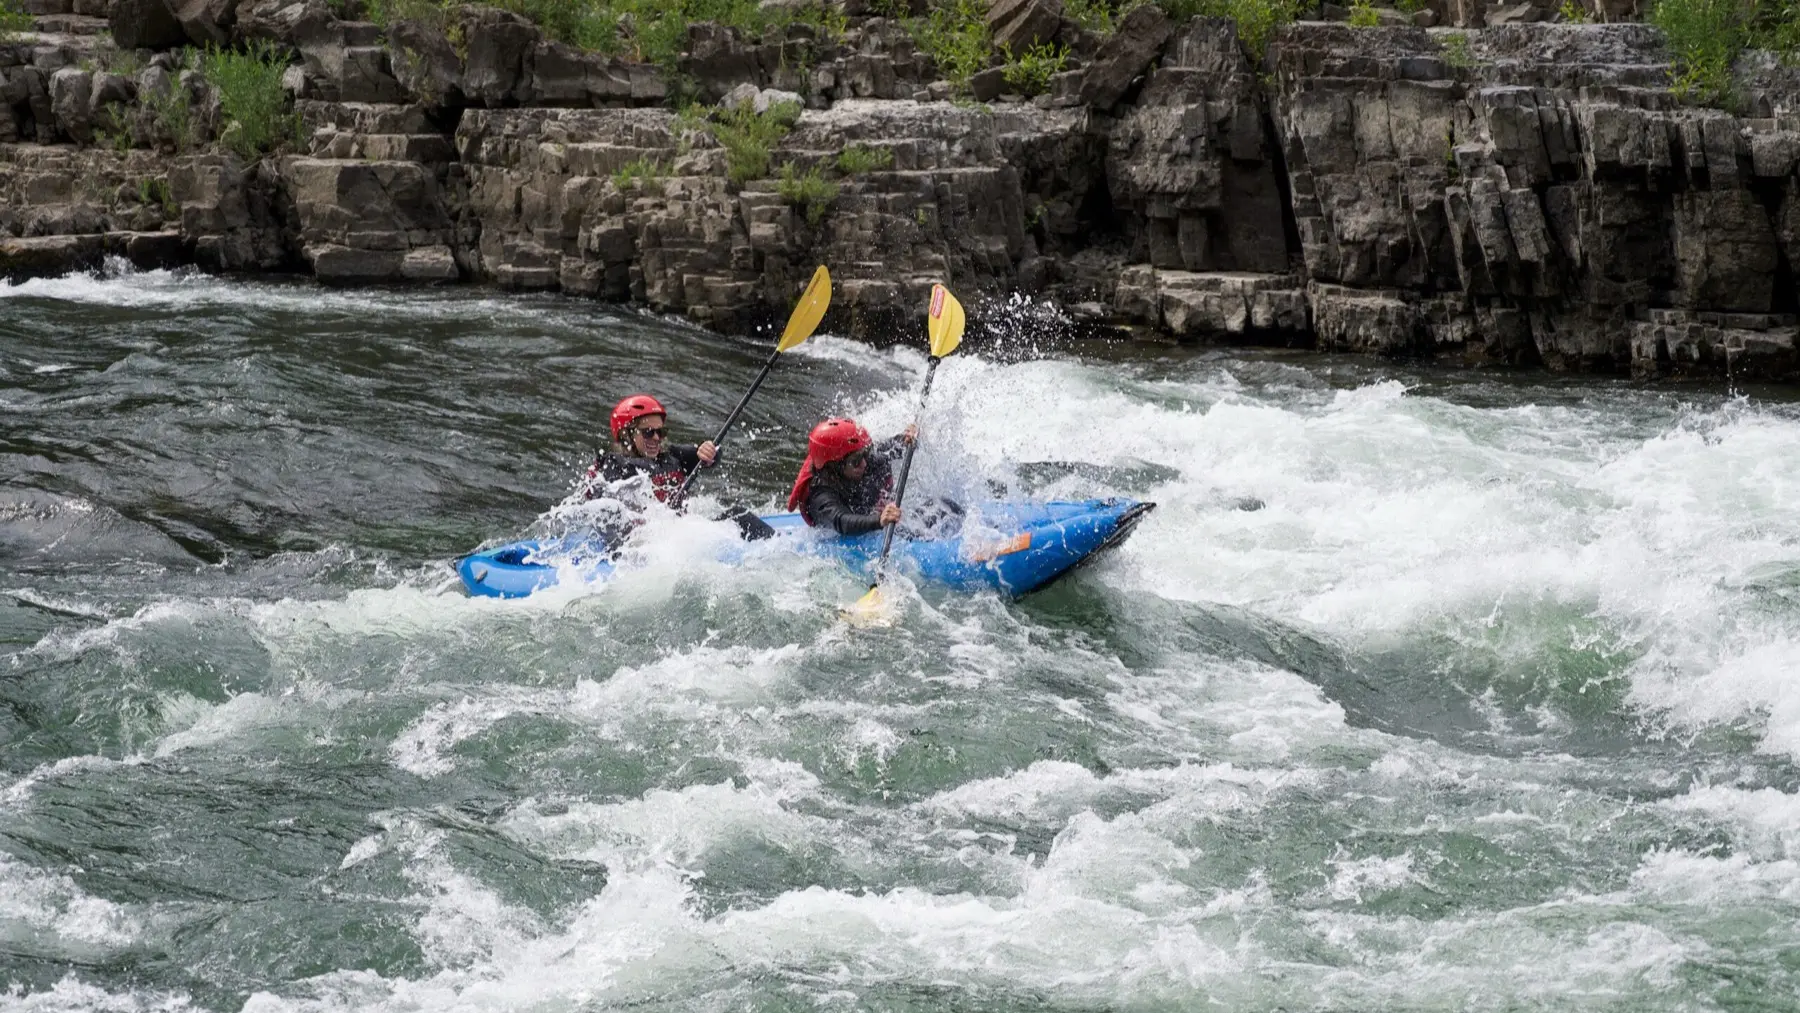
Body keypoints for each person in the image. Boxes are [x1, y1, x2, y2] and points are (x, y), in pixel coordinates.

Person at [786, 417, 919, 536]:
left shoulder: (853, 460)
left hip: (870, 505)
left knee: (879, 461)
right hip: (850, 526)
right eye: (856, 461)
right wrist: (878, 520)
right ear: (834, 467)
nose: (864, 463)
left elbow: (886, 449)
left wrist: (905, 439)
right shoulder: (821, 497)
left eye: (864, 455)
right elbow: (841, 520)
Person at [585, 394, 717, 508]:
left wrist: (708, 451)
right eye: (648, 432)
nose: (656, 437)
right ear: (626, 435)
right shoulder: (612, 465)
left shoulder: (673, 455)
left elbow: (712, 454)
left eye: (660, 432)